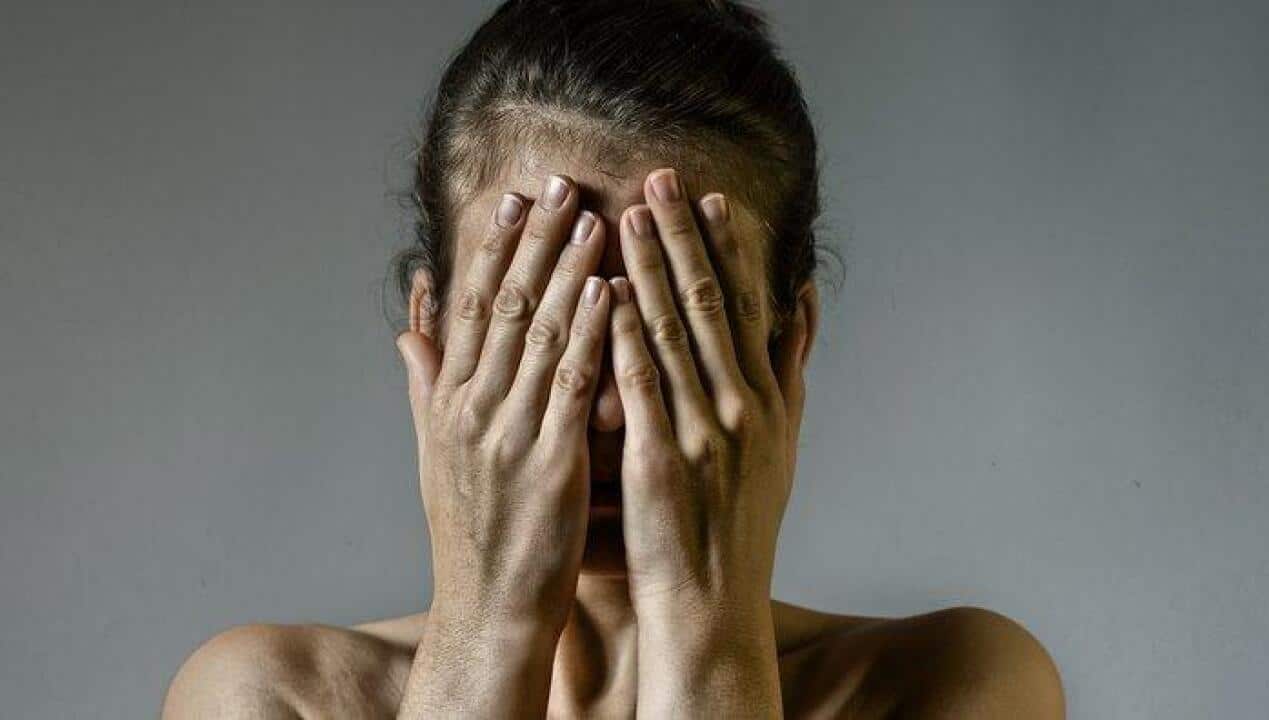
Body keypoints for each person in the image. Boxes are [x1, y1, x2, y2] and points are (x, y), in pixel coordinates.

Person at [163, 1, 1065, 717]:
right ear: (433, 335)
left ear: (787, 345)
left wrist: (707, 631)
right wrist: (488, 626)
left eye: (671, 323)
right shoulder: (267, 699)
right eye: (542, 324)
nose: (604, 409)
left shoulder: (956, 690)